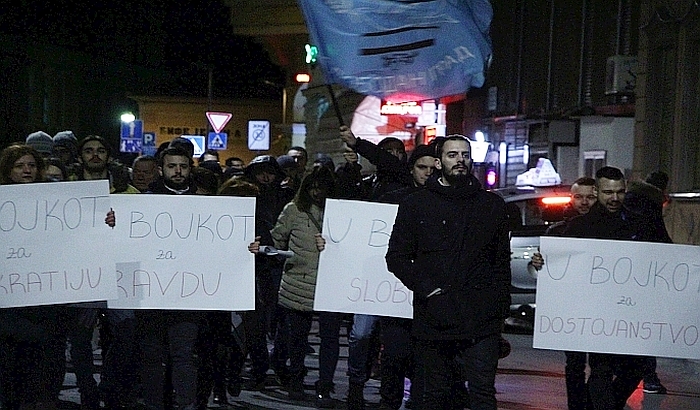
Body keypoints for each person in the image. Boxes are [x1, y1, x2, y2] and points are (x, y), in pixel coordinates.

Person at [385, 135, 512, 410]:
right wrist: (428, 289)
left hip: (481, 318)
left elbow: (501, 261)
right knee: (436, 394)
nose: (460, 160)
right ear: (438, 161)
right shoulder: (416, 204)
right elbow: (397, 257)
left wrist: (500, 309)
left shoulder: (492, 206)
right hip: (436, 317)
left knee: (482, 394)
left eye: (465, 155)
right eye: (453, 155)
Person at [562, 166, 668, 410]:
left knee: (636, 367)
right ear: (597, 191)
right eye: (608, 192)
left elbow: (664, 253)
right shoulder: (580, 226)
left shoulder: (639, 222)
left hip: (629, 311)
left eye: (620, 192)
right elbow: (561, 264)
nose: (614, 198)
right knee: (601, 367)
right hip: (594, 312)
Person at [248, 166, 344, 408]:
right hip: (297, 284)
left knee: (329, 339)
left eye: (321, 187)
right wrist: (265, 247)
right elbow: (277, 239)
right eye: (312, 187)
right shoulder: (293, 210)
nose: (317, 192)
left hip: (330, 284)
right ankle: (296, 380)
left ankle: (324, 385)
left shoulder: (341, 213)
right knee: (297, 339)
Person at [339, 125, 413, 409]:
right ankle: (356, 384)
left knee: (395, 343)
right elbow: (345, 206)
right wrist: (350, 169)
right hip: (368, 273)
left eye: (398, 154)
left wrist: (358, 144)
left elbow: (390, 166)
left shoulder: (408, 186)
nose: (393, 159)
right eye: (388, 154)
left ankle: (389, 394)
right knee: (361, 333)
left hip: (396, 275)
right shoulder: (369, 185)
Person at [0, 144, 66, 410]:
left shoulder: (56, 199)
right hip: (8, 298)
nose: (27, 170)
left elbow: (78, 230)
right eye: (19, 166)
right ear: (8, 170)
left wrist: (101, 220)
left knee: (37, 363)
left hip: (41, 299)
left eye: (31, 165)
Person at [137, 147, 202, 410]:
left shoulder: (206, 202)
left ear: (190, 169)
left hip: (189, 294)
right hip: (152, 293)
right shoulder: (144, 201)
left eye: (183, 166)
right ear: (161, 169)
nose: (178, 171)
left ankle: (186, 405)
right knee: (152, 356)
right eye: (172, 166)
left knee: (184, 356)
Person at [375, 144, 435, 410]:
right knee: (394, 355)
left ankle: (418, 401)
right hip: (394, 293)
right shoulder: (391, 199)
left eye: (433, 169)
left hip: (430, 296)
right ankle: (389, 402)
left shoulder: (449, 203)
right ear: (411, 169)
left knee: (425, 357)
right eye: (422, 168)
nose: (428, 173)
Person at [529, 177, 597, 410]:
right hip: (572, 307)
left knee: (601, 364)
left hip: (600, 306)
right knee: (575, 362)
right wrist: (539, 261)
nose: (584, 202)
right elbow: (544, 268)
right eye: (579, 196)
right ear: (572, 198)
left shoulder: (607, 227)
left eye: (590, 196)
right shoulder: (557, 230)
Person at [623, 171, 672, 395]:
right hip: (644, 278)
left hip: (622, 277)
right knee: (644, 329)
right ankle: (649, 377)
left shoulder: (626, 203)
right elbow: (661, 240)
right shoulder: (651, 208)